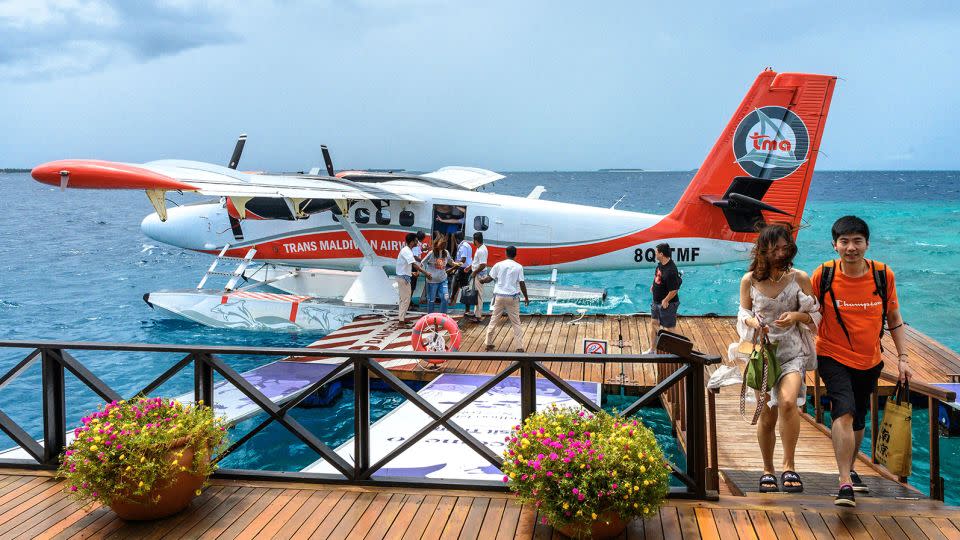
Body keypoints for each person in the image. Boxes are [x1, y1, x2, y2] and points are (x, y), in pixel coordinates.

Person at [811, 216, 911, 507]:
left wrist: (903, 358)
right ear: (835, 245)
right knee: (843, 410)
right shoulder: (824, 274)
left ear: (867, 244)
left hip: (870, 358)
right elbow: (810, 314)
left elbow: (894, 318)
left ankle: (851, 469)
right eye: (844, 242)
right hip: (832, 354)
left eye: (857, 241)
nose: (851, 248)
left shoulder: (882, 275)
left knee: (859, 418)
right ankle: (844, 482)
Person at [731, 224, 820, 494]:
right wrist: (753, 322)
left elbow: (815, 316)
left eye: (785, 247)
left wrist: (796, 316)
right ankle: (767, 469)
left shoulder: (800, 278)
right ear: (763, 251)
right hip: (763, 355)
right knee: (767, 416)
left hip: (792, 352)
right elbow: (741, 315)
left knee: (789, 402)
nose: (781, 253)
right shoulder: (749, 281)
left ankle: (789, 465)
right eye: (774, 249)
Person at [480, 245, 530, 352]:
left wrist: (482, 280)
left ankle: (488, 343)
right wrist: (526, 297)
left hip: (499, 296)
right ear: (515, 255)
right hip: (512, 297)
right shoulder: (518, 267)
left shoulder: (498, 265)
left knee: (494, 319)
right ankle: (519, 347)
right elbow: (522, 283)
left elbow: (489, 278)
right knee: (516, 322)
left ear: (505, 253)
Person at [645, 243, 682, 354]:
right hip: (656, 301)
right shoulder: (661, 264)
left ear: (661, 254)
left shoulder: (671, 271)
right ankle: (652, 350)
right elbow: (657, 275)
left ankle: (676, 352)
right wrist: (654, 285)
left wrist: (666, 300)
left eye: (656, 252)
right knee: (654, 323)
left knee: (669, 328)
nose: (654, 253)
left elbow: (674, 290)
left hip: (667, 304)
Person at [396, 233, 425, 324]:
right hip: (403, 278)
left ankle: (402, 319)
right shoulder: (407, 251)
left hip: (404, 277)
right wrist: (426, 273)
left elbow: (403, 266)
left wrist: (411, 273)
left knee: (403, 299)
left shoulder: (407, 250)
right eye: (416, 241)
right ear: (412, 242)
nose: (417, 242)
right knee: (406, 300)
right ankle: (401, 322)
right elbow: (413, 264)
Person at [422, 236, 454, 314]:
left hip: (443, 280)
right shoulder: (431, 253)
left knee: (445, 297)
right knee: (431, 299)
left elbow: (450, 262)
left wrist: (456, 264)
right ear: (437, 244)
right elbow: (422, 262)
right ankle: (430, 316)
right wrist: (425, 273)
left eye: (445, 244)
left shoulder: (446, 252)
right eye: (442, 243)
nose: (444, 245)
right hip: (432, 281)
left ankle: (443, 315)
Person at [469, 232, 489, 322]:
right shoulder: (480, 248)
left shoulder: (481, 250)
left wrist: (474, 272)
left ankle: (478, 316)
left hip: (479, 275)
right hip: (478, 274)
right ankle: (476, 313)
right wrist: (470, 267)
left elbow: (483, 264)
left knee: (479, 295)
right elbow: (477, 262)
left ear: (476, 241)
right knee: (477, 294)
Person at [450, 233, 473, 305]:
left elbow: (463, 260)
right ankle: (464, 304)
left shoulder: (463, 246)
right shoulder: (467, 245)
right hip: (465, 268)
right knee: (462, 286)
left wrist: (453, 268)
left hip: (463, 269)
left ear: (457, 239)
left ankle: (452, 300)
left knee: (459, 285)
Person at [409, 231, 426, 308]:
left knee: (413, 285)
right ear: (422, 238)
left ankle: (409, 300)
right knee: (412, 285)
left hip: (415, 266)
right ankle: (408, 302)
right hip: (414, 266)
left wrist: (423, 249)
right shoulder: (416, 246)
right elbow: (415, 257)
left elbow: (418, 252)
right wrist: (423, 260)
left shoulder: (418, 244)